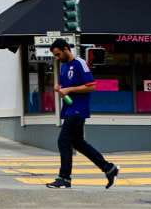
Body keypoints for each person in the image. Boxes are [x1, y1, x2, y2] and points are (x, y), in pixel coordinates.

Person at [46, 39, 120, 189]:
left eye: (58, 54)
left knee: (63, 141)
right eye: (55, 55)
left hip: (78, 109)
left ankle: (64, 178)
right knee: (78, 143)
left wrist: (69, 90)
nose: (57, 58)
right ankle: (108, 168)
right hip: (69, 109)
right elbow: (64, 87)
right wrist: (59, 87)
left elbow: (91, 86)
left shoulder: (80, 63)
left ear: (66, 49)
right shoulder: (64, 66)